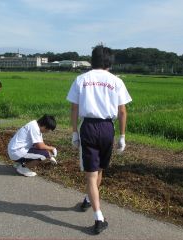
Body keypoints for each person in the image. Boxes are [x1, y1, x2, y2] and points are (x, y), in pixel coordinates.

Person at [66, 44, 132, 234]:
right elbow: (122, 111)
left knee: (92, 173)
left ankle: (98, 218)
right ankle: (89, 200)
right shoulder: (116, 81)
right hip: (107, 128)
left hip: (89, 126)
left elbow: (74, 108)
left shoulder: (81, 79)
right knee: (99, 169)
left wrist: (74, 133)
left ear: (92, 60)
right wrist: (122, 136)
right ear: (109, 62)